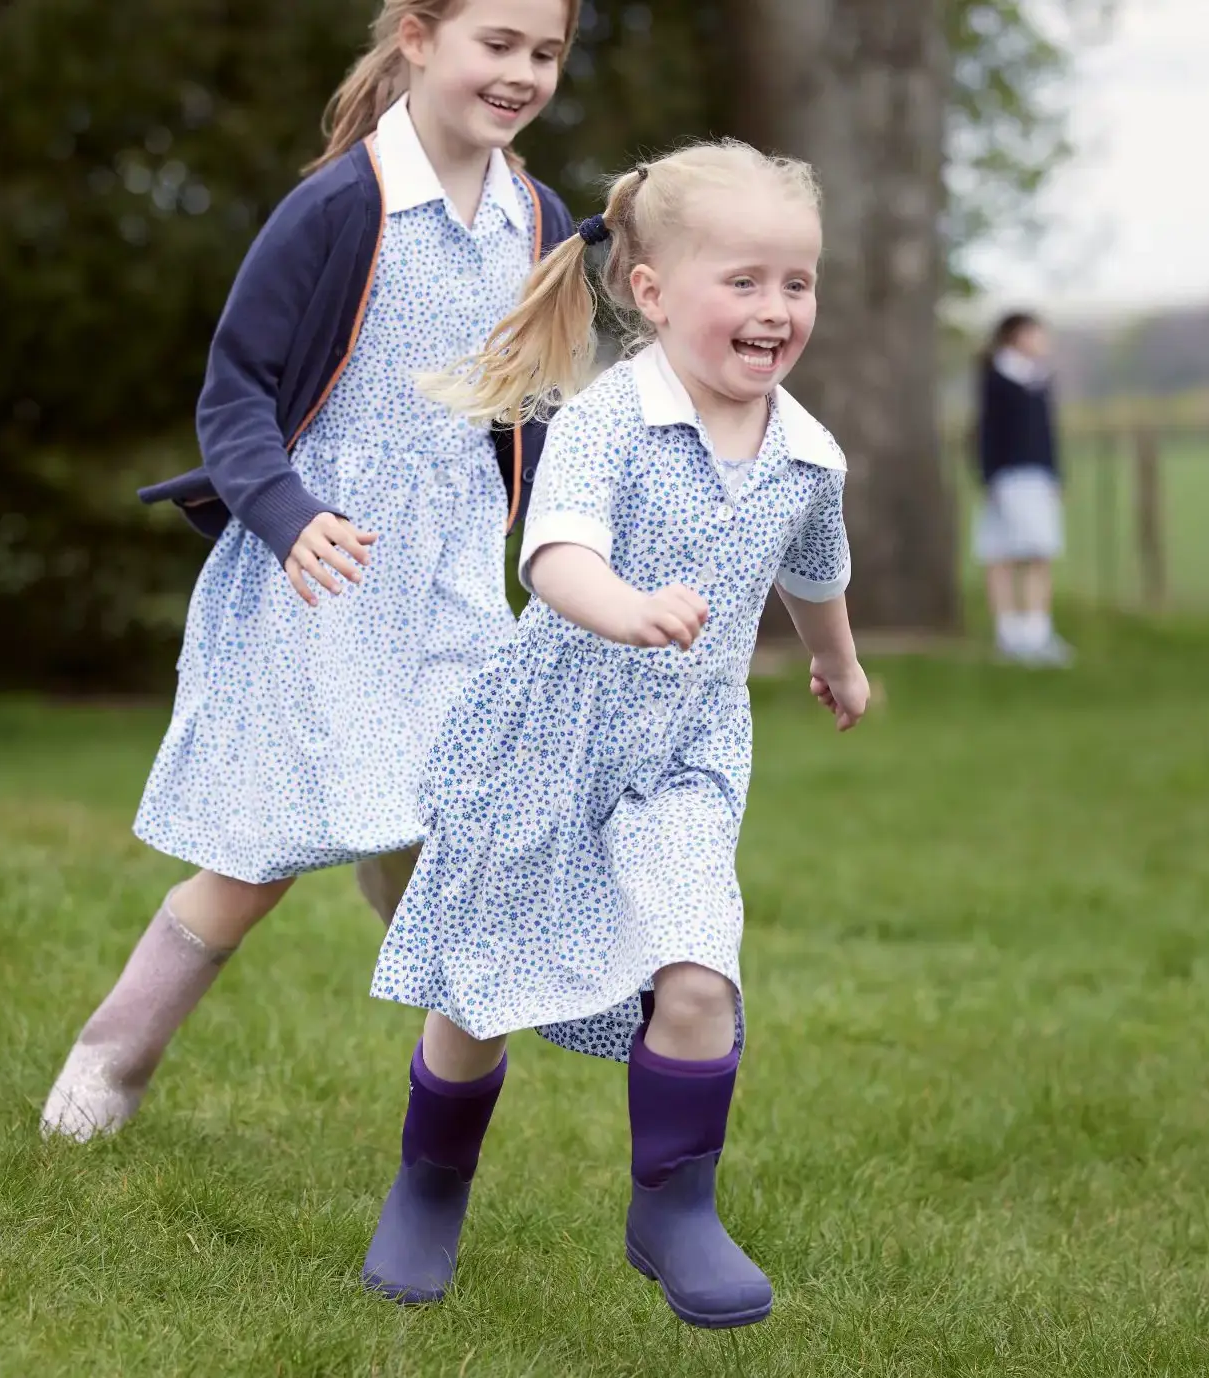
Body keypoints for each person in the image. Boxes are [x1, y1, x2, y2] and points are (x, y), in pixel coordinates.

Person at [41, 0, 579, 1143]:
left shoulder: (538, 222)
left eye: (546, 53)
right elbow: (234, 390)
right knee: (257, 861)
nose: (524, 72)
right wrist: (288, 517)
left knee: (459, 821)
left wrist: (555, 547)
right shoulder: (341, 206)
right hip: (318, 576)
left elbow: (529, 408)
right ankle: (107, 1065)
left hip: (448, 582)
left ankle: (438, 1112)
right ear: (420, 37)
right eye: (500, 44)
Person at [354, 140, 870, 1329]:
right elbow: (554, 554)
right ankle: (431, 1181)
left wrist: (837, 661)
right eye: (743, 280)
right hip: (547, 737)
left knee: (699, 974)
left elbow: (815, 565)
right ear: (651, 291)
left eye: (796, 283)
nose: (775, 309)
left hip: (682, 759)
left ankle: (673, 1206)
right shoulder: (610, 422)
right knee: (480, 991)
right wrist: (625, 607)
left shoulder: (805, 451)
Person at [971, 311, 1072, 666]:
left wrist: (1056, 475)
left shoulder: (1037, 379)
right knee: (1006, 555)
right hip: (1010, 479)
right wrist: (989, 476)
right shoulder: (998, 378)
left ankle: (1035, 630)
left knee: (1036, 553)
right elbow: (986, 432)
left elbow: (1048, 436)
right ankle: (1012, 633)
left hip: (1037, 478)